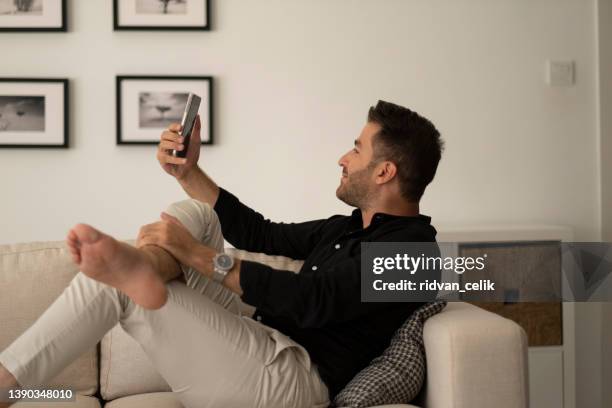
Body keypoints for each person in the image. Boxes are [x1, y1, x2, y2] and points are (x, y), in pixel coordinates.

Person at [0, 100, 443, 408]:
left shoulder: (415, 255)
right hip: (260, 342)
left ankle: (7, 380)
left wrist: (200, 258)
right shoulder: (346, 227)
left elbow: (313, 300)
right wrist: (188, 171)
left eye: (357, 148)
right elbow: (258, 232)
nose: (342, 157)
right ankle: (148, 266)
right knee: (198, 214)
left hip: (290, 382)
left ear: (385, 171)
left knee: (118, 286)